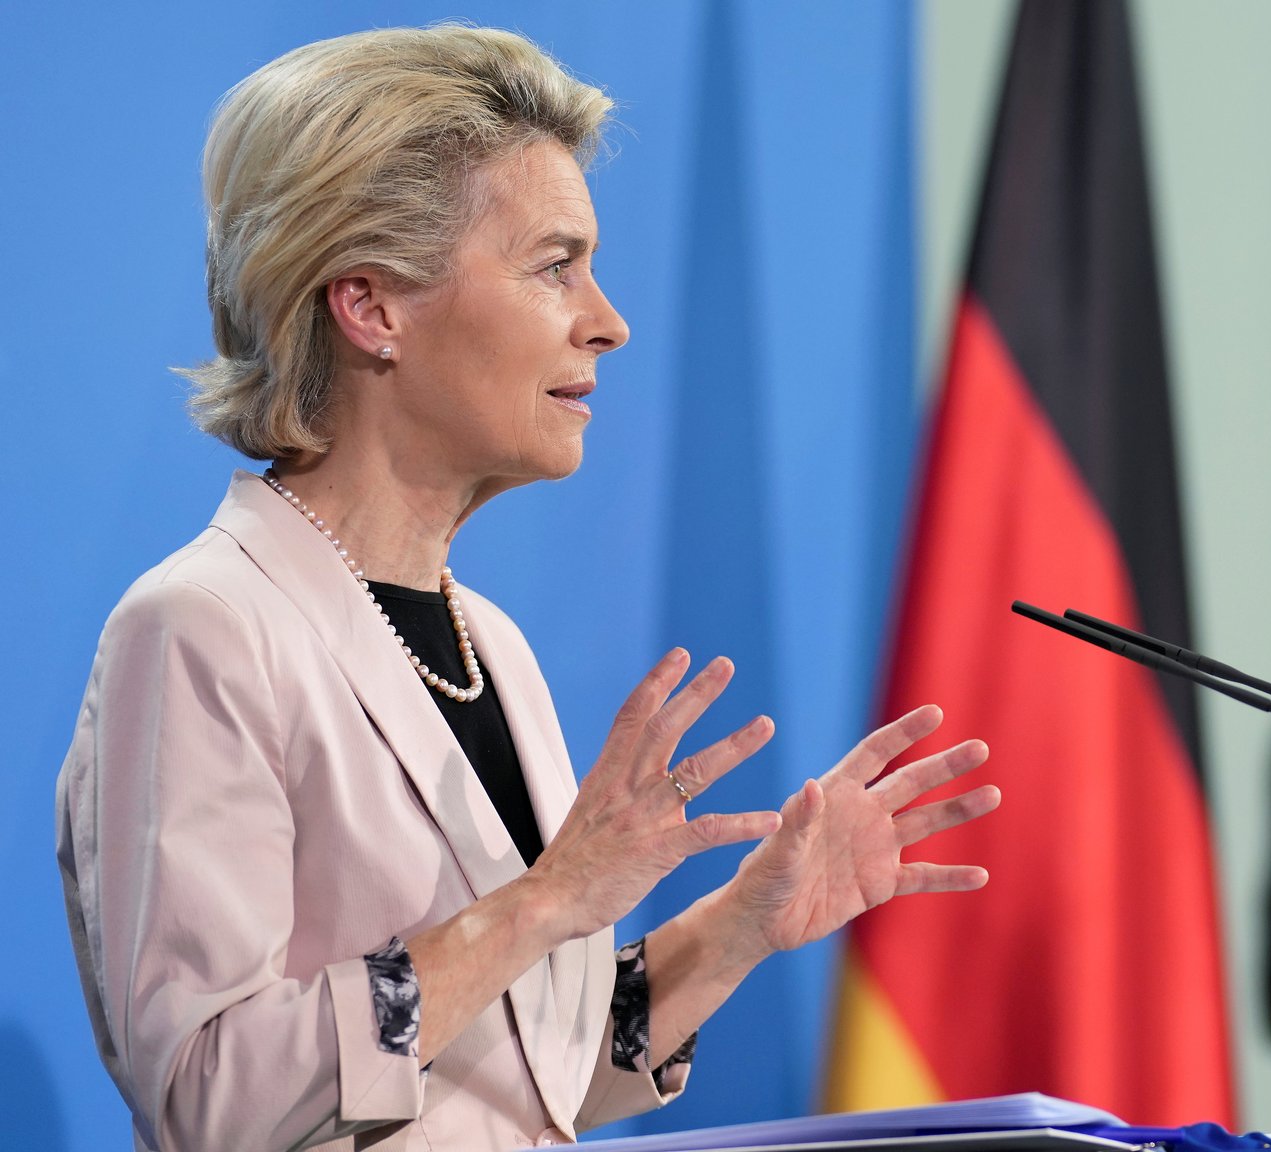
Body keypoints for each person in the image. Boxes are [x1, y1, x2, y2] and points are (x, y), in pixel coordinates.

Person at [55, 26, 1000, 1152]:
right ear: (371, 305)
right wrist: (546, 902)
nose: (606, 319)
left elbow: (528, 1079)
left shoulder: (485, 641)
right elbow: (217, 1101)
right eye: (555, 265)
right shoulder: (205, 628)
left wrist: (740, 924)